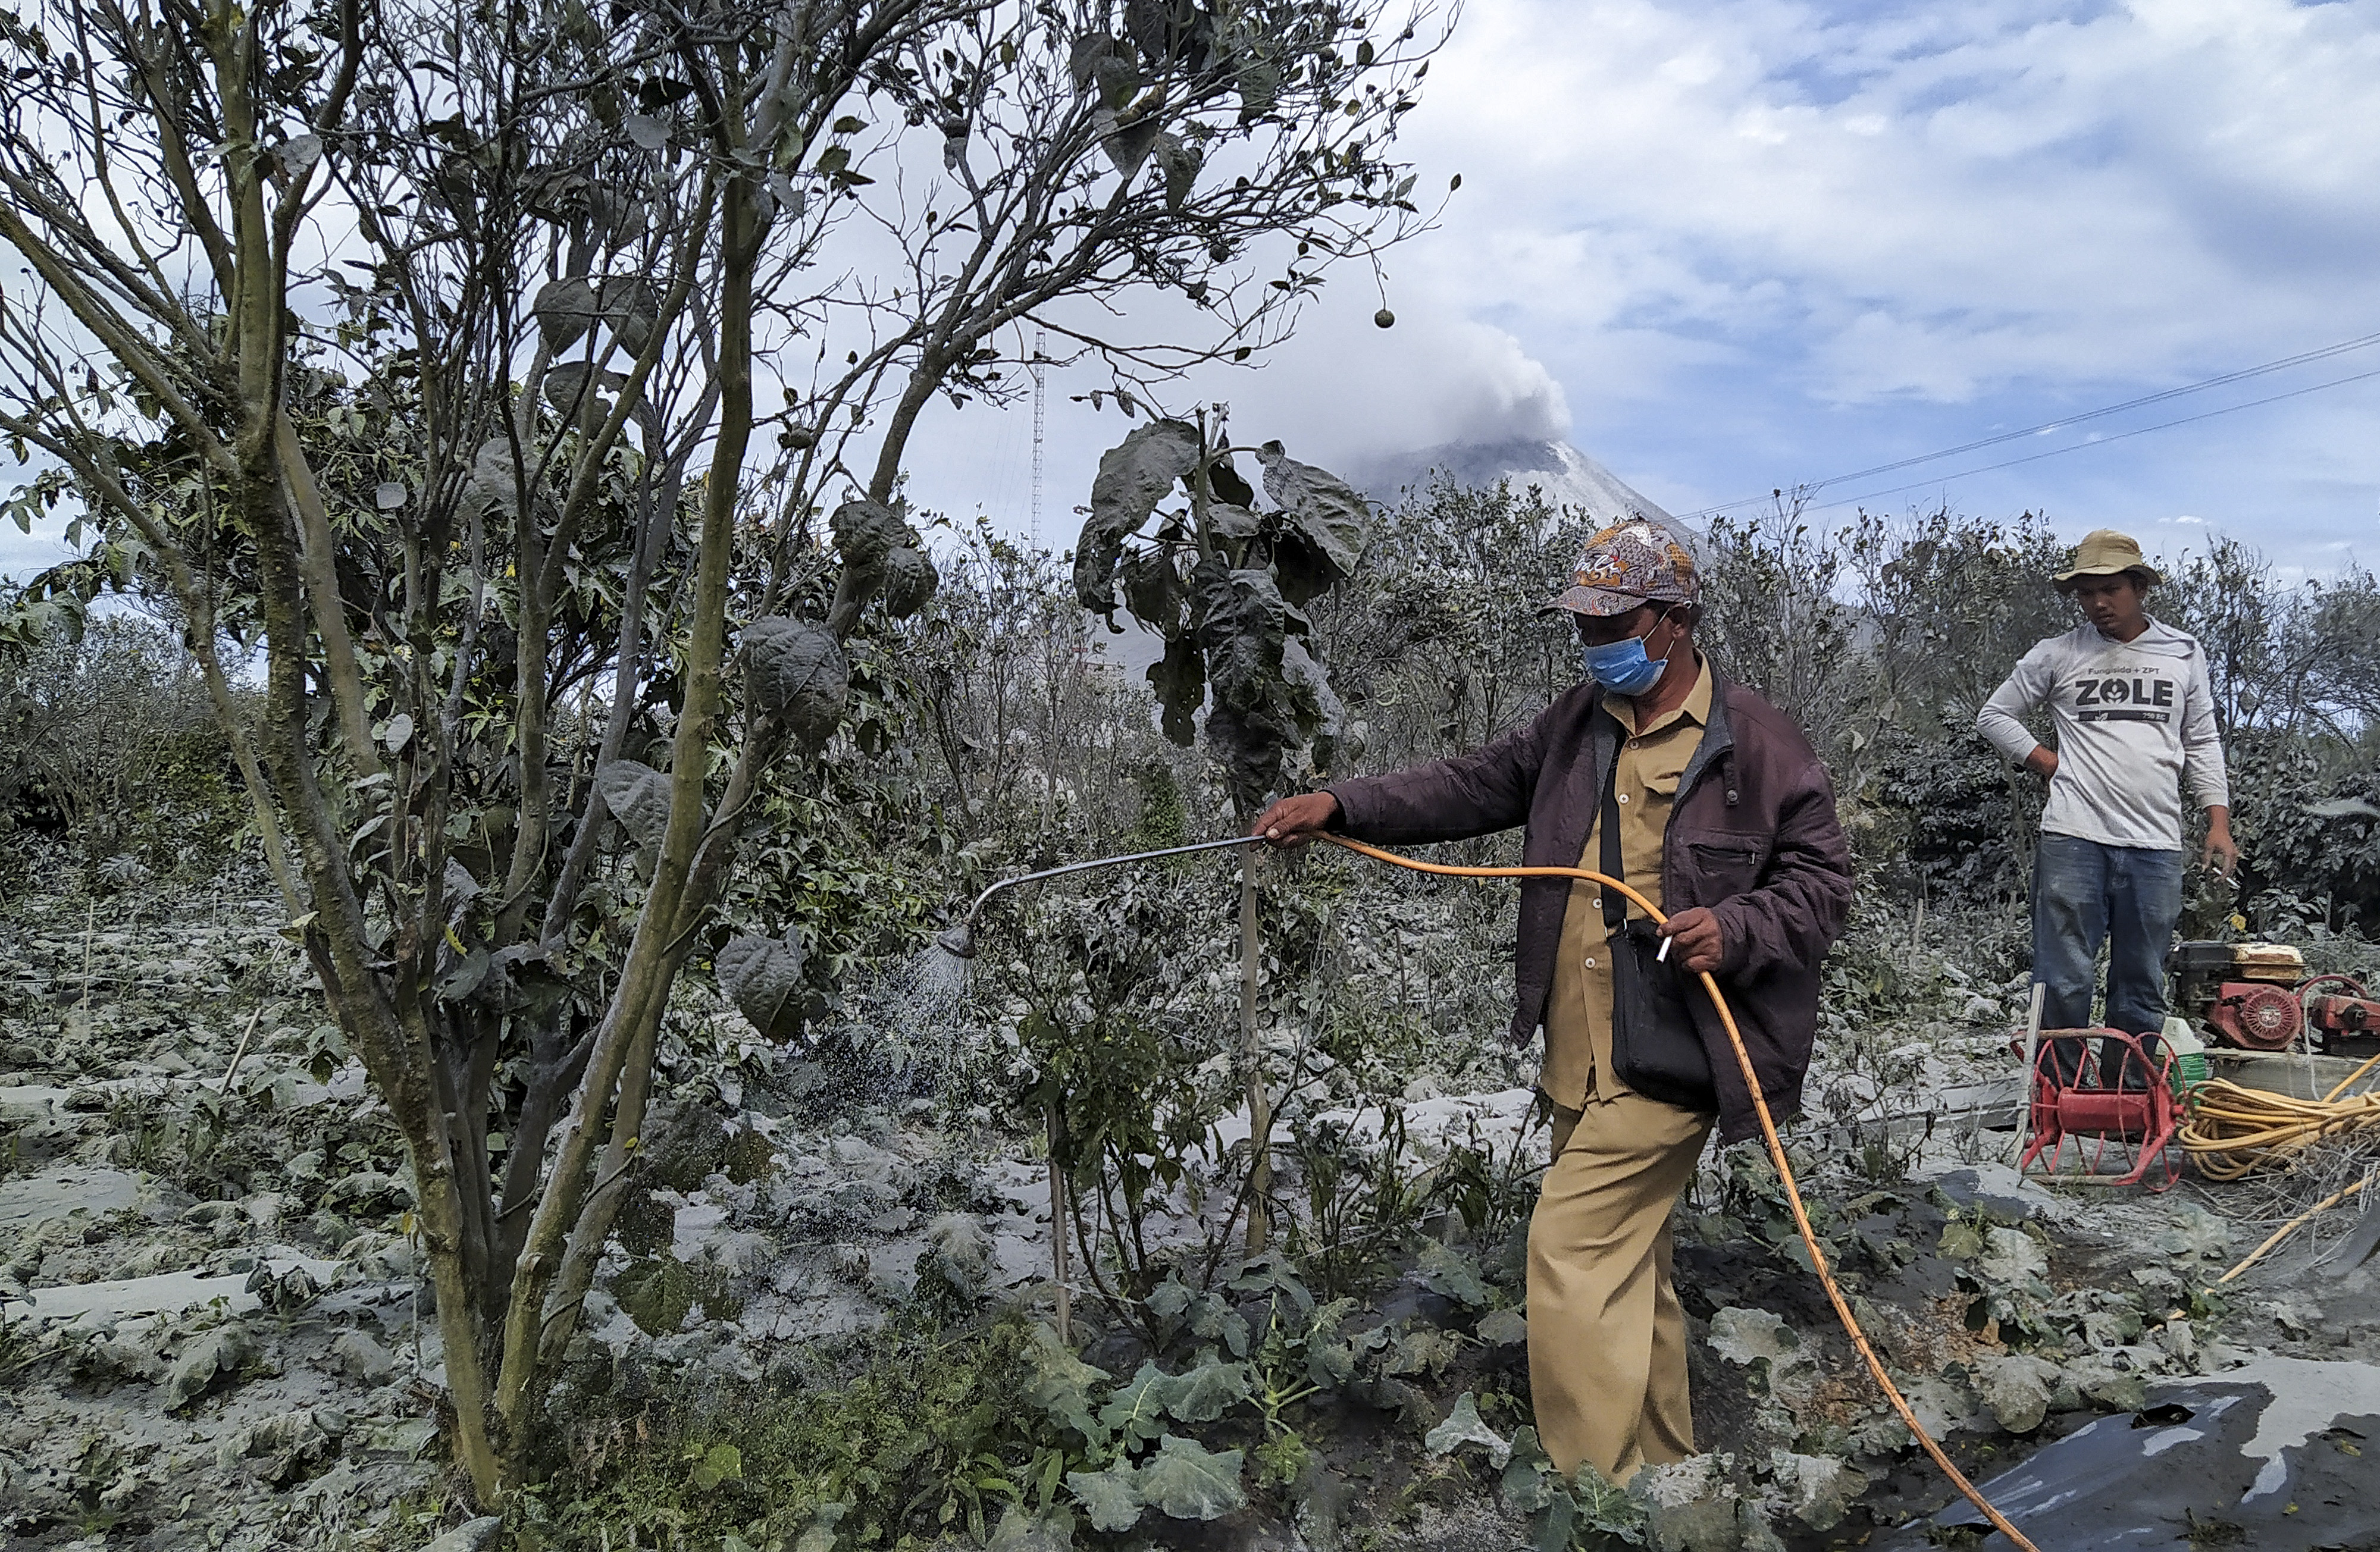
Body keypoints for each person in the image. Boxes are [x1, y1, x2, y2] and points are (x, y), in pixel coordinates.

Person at [1251, 518, 1853, 1487]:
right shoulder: (1576, 724)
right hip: (1583, 1048)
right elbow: (1469, 782)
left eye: (1610, 622)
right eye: (1582, 624)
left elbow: (1822, 889)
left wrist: (1733, 928)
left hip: (1682, 1045)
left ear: (1673, 621)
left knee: (1571, 1253)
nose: (1592, 642)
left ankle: (1594, 1496)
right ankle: (1663, 1467)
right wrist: (1342, 802)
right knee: (1630, 1260)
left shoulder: (1761, 744)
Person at [1977, 529, 2235, 1084]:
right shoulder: (2059, 653)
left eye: (2110, 589)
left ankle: (2129, 1094)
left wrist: (2218, 822)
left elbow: (2203, 740)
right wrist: (2047, 762)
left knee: (2141, 979)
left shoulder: (2183, 652)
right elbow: (1994, 715)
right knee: (2063, 978)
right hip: (2074, 838)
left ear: (2139, 587)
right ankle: (2059, 1094)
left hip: (2156, 846)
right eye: (2086, 592)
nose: (2097, 603)